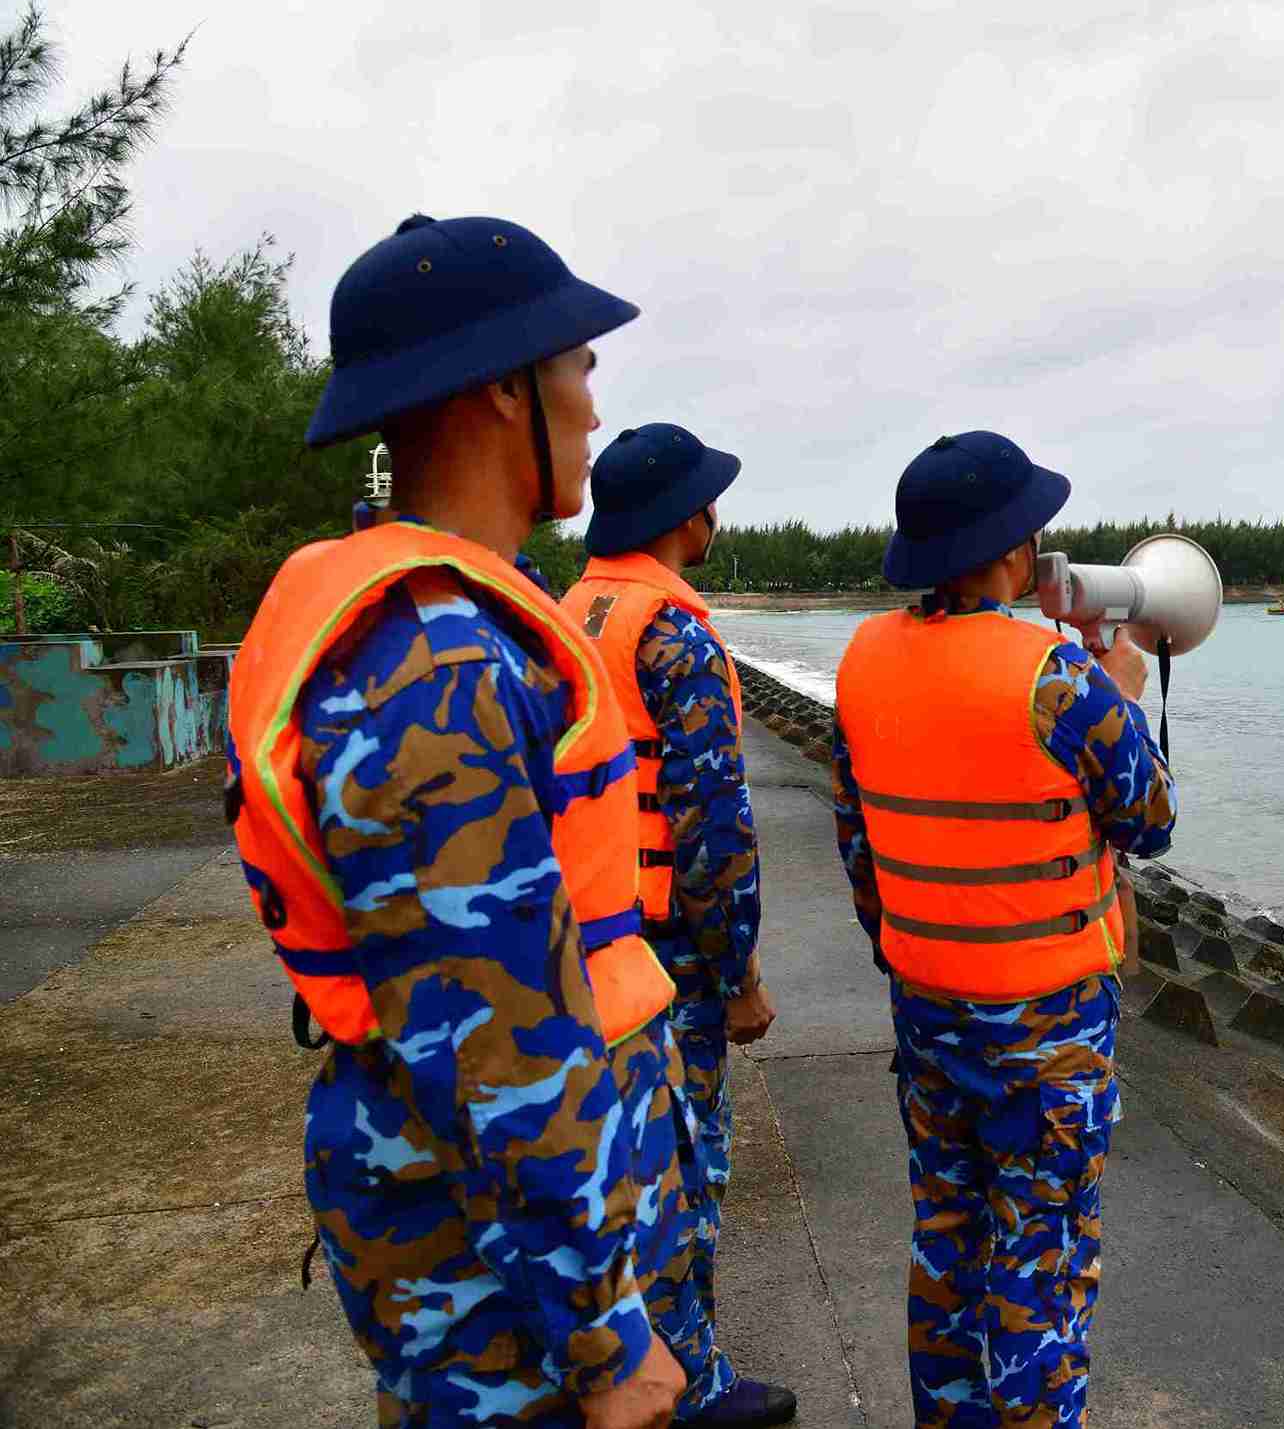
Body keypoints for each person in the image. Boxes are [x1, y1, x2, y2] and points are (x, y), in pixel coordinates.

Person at [223, 213, 760, 1428]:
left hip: (515, 1247)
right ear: (500, 392)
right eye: (576, 366)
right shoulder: (433, 660)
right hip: (502, 1295)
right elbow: (489, 1043)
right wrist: (607, 1336)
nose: (592, 402)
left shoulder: (468, 623)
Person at [829, 430, 1178, 1428]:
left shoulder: (861, 659)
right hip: (1048, 1030)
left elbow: (861, 851)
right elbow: (1149, 820)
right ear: (1013, 551)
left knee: (947, 1244)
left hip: (928, 1009)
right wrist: (1124, 690)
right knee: (1041, 1264)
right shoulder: (1057, 679)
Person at [561, 423, 792, 1427]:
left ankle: (652, 1362)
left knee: (615, 1166)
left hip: (584, 936)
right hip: (669, 960)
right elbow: (710, 827)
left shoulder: (572, 614)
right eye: (706, 497)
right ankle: (690, 1387)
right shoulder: (678, 635)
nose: (714, 511)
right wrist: (738, 970)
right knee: (683, 1171)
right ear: (680, 516)